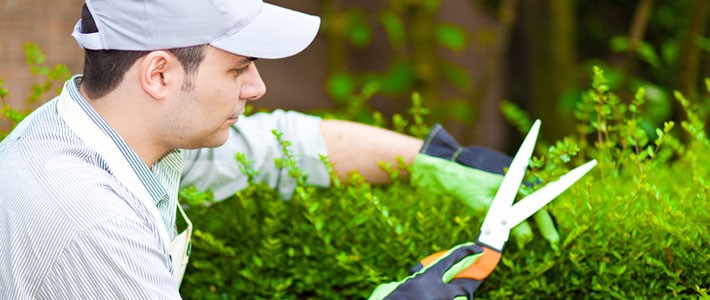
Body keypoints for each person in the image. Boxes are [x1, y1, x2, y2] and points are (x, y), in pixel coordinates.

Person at [0, 0, 557, 298]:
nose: (256, 87)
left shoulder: (122, 133)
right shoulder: (86, 220)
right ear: (160, 74)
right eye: (238, 67)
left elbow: (279, 145)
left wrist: (433, 160)